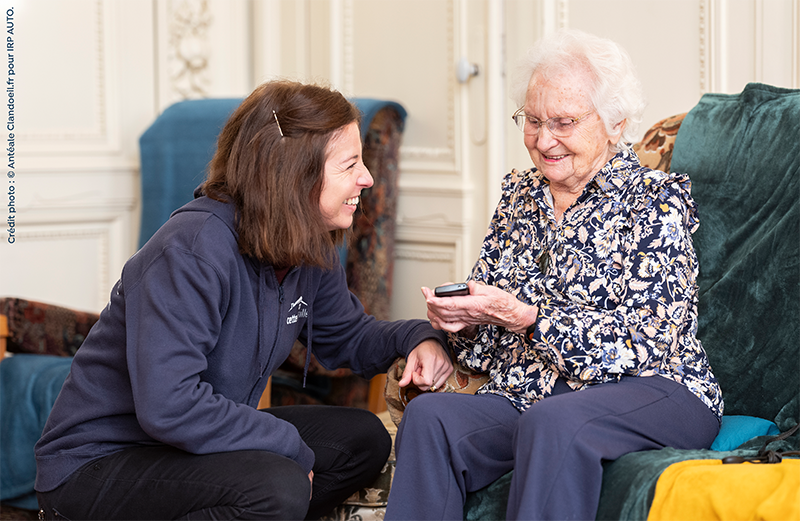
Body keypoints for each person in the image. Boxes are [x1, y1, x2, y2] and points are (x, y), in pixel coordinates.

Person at [34, 80, 453, 521]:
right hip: (97, 465)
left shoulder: (307, 246)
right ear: (296, 174)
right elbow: (169, 406)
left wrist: (418, 337)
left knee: (361, 439)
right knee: (277, 487)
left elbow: (349, 336)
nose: (366, 178)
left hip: (182, 446)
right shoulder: (192, 250)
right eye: (350, 165)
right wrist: (287, 447)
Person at [384, 29, 723, 521]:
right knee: (431, 418)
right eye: (533, 121)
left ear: (615, 123)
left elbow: (644, 345)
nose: (544, 141)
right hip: (532, 391)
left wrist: (526, 318)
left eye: (563, 122)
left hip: (657, 387)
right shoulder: (519, 196)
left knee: (555, 420)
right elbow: (491, 343)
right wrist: (465, 322)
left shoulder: (656, 200)